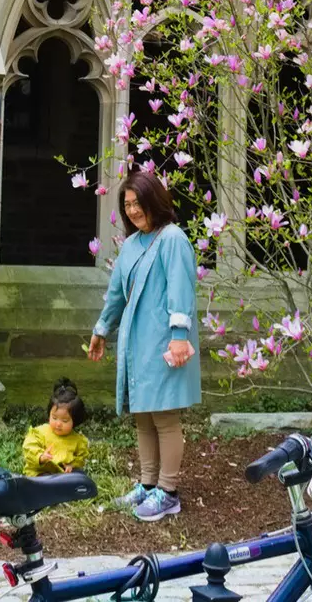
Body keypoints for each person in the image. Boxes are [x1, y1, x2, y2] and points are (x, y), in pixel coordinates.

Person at [87, 169, 199, 521]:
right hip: (137, 345)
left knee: (164, 416)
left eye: (138, 202)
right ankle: (148, 485)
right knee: (143, 417)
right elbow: (118, 295)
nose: (133, 210)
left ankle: (168, 491)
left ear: (155, 200)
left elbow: (181, 290)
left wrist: (180, 338)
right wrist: (102, 329)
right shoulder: (132, 245)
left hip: (166, 344)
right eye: (128, 204)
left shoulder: (173, 239)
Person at [21, 378, 91, 476]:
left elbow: (81, 457)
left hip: (63, 475)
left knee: (80, 475)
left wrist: (71, 465)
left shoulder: (77, 440)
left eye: (64, 420)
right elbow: (29, 447)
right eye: (54, 418)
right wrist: (41, 457)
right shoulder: (40, 432)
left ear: (75, 421)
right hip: (41, 472)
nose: (58, 424)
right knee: (44, 479)